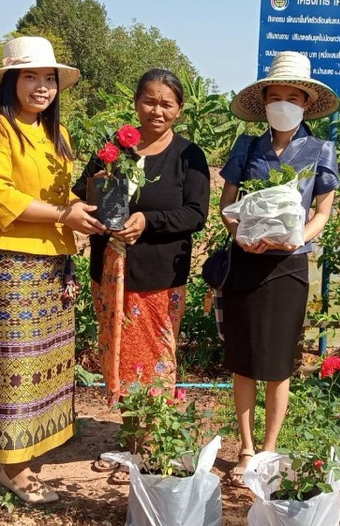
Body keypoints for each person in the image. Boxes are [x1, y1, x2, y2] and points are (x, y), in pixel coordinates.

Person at [0, 36, 105, 504]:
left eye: (49, 79)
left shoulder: (55, 134)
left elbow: (63, 195)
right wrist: (65, 215)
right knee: (14, 363)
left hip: (51, 259)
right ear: (10, 81)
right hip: (9, 261)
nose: (42, 87)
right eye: (31, 77)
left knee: (45, 362)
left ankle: (35, 446)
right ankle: (13, 467)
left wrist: (91, 208)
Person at [73, 68, 211, 483]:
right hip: (111, 274)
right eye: (150, 101)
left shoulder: (190, 156)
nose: (157, 110)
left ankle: (155, 447)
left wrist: (146, 221)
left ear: (179, 110)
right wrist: (97, 187)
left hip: (159, 277)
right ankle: (135, 440)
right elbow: (83, 194)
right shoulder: (114, 149)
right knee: (119, 355)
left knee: (155, 360)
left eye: (167, 103)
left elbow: (195, 214)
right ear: (136, 103)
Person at [217, 51, 340, 486]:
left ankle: (269, 448)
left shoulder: (322, 149)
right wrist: (241, 234)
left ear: (306, 103)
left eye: (292, 96)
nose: (283, 102)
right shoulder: (247, 147)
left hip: (289, 267)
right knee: (245, 358)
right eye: (275, 95)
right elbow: (226, 203)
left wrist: (297, 238)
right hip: (247, 264)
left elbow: (323, 211)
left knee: (279, 360)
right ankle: (246, 446)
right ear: (264, 101)